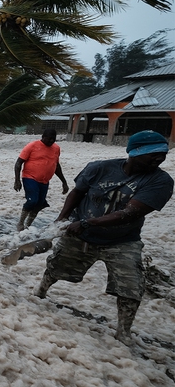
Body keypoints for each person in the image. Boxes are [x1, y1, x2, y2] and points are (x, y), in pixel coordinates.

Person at [34, 130, 173, 345]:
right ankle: (40, 292)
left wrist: (87, 223)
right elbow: (77, 193)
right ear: (135, 152)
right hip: (80, 233)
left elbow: (130, 213)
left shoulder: (161, 181)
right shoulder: (99, 168)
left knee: (131, 286)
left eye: (163, 153)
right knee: (57, 267)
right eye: (153, 153)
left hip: (122, 240)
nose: (160, 158)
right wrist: (61, 220)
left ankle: (123, 332)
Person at [14, 128, 70, 231]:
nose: (51, 141)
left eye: (53, 139)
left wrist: (64, 182)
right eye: (49, 139)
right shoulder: (32, 146)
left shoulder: (56, 148)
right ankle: (20, 223)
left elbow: (56, 166)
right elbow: (18, 163)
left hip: (44, 181)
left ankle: (28, 227)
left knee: (40, 204)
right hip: (29, 177)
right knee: (32, 201)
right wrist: (17, 181)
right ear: (43, 137)